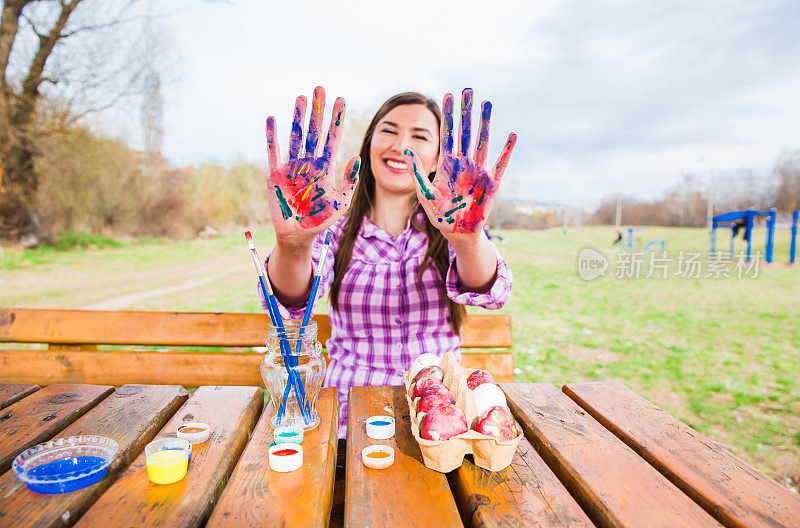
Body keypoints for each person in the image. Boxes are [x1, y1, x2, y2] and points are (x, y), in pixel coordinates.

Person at [261, 86, 516, 438]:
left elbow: (491, 292)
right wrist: (293, 243)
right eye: (390, 131)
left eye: (420, 136)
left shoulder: (453, 223)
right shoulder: (332, 225)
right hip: (348, 420)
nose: (401, 146)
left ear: (440, 156)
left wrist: (468, 238)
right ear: (369, 142)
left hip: (441, 420)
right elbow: (291, 302)